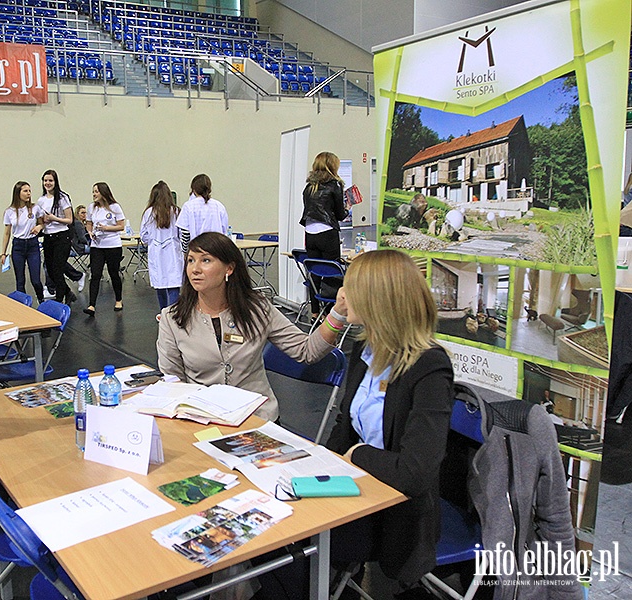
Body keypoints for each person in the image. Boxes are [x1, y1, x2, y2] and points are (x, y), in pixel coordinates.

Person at [323, 249, 454, 597]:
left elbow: (414, 473)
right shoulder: (364, 351)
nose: (343, 296)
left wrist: (357, 455)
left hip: (397, 512)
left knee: (295, 547)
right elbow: (345, 425)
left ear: (379, 300)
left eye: (352, 288)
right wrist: (313, 466)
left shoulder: (429, 369)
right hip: (359, 487)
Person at [157, 232, 343, 422]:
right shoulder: (172, 318)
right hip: (203, 420)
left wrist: (337, 313)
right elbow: (173, 381)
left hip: (257, 419)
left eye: (205, 260)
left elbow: (306, 351)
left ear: (229, 269)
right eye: (190, 260)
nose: (194, 269)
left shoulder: (257, 309)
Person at [299, 152, 348, 318]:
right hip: (327, 233)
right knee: (332, 274)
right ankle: (330, 314)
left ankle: (314, 312)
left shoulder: (308, 187)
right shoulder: (334, 185)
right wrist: (348, 208)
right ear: (332, 166)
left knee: (315, 273)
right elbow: (340, 215)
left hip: (310, 233)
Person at [84, 182, 125, 315]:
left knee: (113, 273)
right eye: (93, 191)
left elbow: (121, 226)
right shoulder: (92, 208)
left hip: (112, 244)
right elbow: (89, 223)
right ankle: (92, 305)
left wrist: (107, 228)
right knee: (95, 274)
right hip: (97, 245)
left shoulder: (115, 207)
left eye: (96, 191)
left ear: (103, 192)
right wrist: (90, 232)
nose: (94, 194)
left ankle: (118, 299)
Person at [141, 180, 183, 310]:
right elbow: (182, 234)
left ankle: (163, 314)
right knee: (173, 285)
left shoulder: (148, 213)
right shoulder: (176, 212)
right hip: (173, 253)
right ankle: (173, 315)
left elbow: (144, 236)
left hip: (156, 252)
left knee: (160, 285)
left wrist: (153, 241)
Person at [1, 180, 45, 301]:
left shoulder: (35, 208)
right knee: (20, 280)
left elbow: (42, 223)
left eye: (29, 191)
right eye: (25, 191)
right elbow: (6, 233)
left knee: (35, 279)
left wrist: (39, 227)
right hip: (18, 245)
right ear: (18, 193)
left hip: (32, 245)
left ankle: (41, 299)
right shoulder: (9, 212)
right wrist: (3, 253)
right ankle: (22, 303)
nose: (28, 193)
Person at [37, 169, 76, 304]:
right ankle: (67, 292)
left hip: (62, 237)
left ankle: (60, 300)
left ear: (55, 182)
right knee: (51, 271)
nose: (48, 183)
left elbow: (69, 220)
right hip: (48, 238)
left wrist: (54, 218)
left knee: (58, 269)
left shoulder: (62, 198)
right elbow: (40, 220)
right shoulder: (41, 200)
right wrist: (43, 221)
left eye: (50, 180)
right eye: (45, 180)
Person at [177, 173, 228, 254]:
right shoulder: (219, 206)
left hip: (197, 250)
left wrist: (185, 252)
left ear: (194, 189)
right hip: (217, 249)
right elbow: (224, 230)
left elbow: (185, 233)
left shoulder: (189, 206)